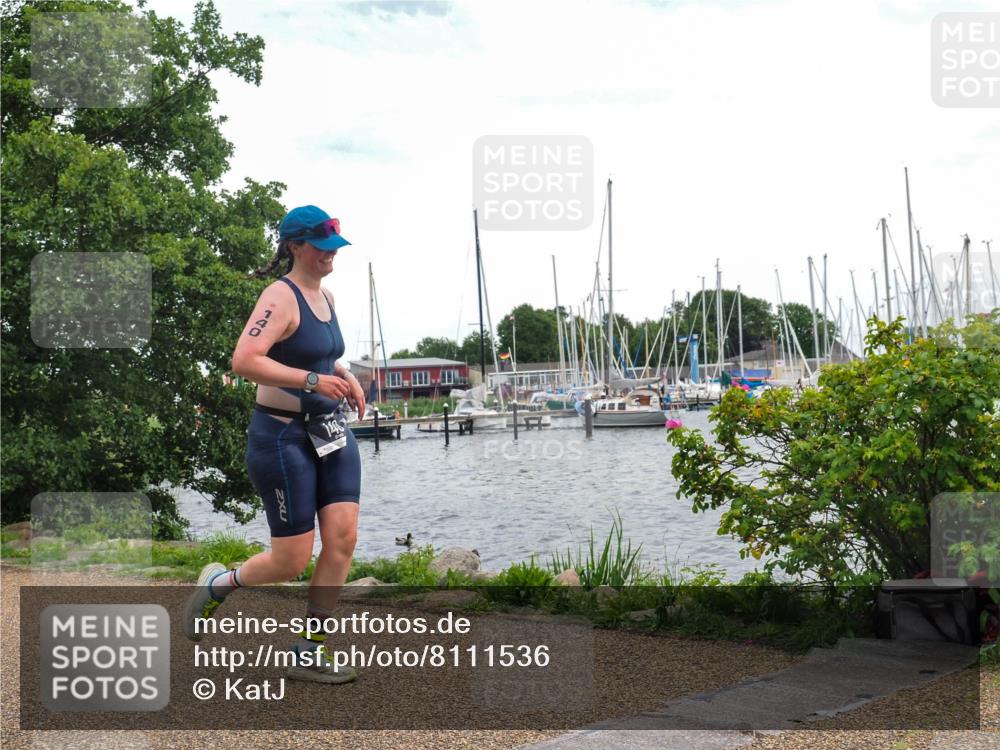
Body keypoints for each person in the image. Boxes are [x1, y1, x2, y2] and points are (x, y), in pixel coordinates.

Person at [182, 205, 366, 685]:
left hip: (329, 431)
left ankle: (309, 650)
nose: (331, 257)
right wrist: (312, 380)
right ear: (295, 246)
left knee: (343, 538)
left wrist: (345, 377)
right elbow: (244, 360)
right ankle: (219, 584)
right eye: (322, 248)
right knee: (291, 560)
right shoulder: (279, 297)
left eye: (334, 249)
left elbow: (322, 355)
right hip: (282, 435)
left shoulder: (325, 296)